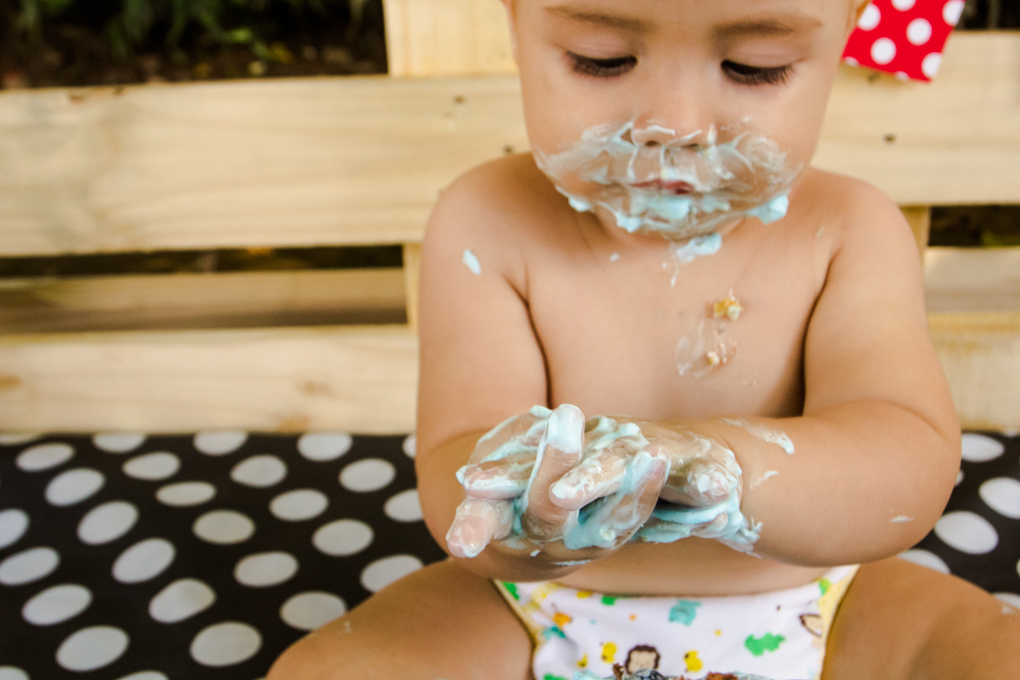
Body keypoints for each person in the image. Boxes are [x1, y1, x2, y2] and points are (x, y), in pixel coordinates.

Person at [268, 1, 1020, 678]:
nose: (676, 122)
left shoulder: (848, 230)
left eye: (753, 68)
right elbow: (454, 462)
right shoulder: (486, 220)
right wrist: (522, 514)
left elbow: (906, 459)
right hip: (531, 606)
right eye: (602, 57)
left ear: (847, 32)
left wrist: (725, 469)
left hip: (825, 600)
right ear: (515, 23)